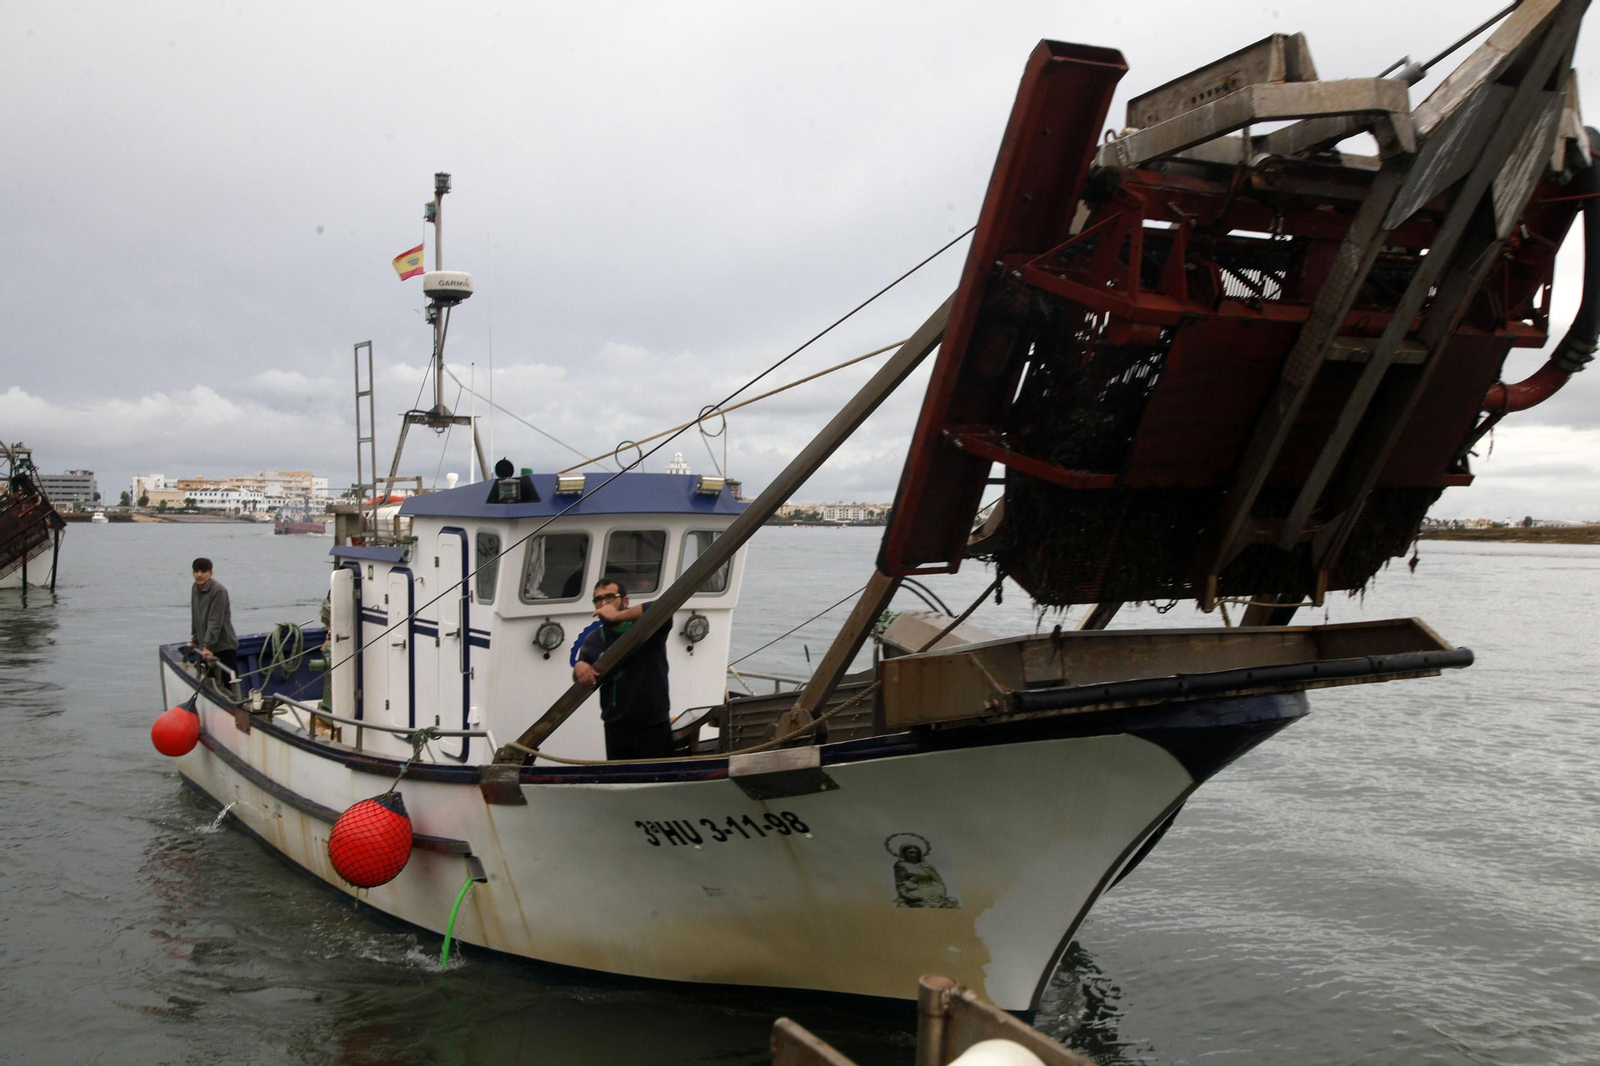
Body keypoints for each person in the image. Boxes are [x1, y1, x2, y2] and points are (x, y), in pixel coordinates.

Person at [572, 579, 673, 760]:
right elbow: (581, 673)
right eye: (598, 599)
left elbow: (663, 607)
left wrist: (617, 616)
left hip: (652, 724)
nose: (603, 603)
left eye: (610, 597)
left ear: (625, 601)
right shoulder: (594, 640)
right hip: (616, 727)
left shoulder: (649, 627)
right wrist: (579, 667)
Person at [189, 557, 238, 682]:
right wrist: (195, 640)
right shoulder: (195, 588)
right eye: (196, 571)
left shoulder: (218, 591)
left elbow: (215, 621)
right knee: (211, 684)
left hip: (223, 647)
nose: (199, 575)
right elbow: (196, 616)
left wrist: (207, 646)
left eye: (203, 571)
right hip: (206, 648)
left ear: (210, 573)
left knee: (230, 686)